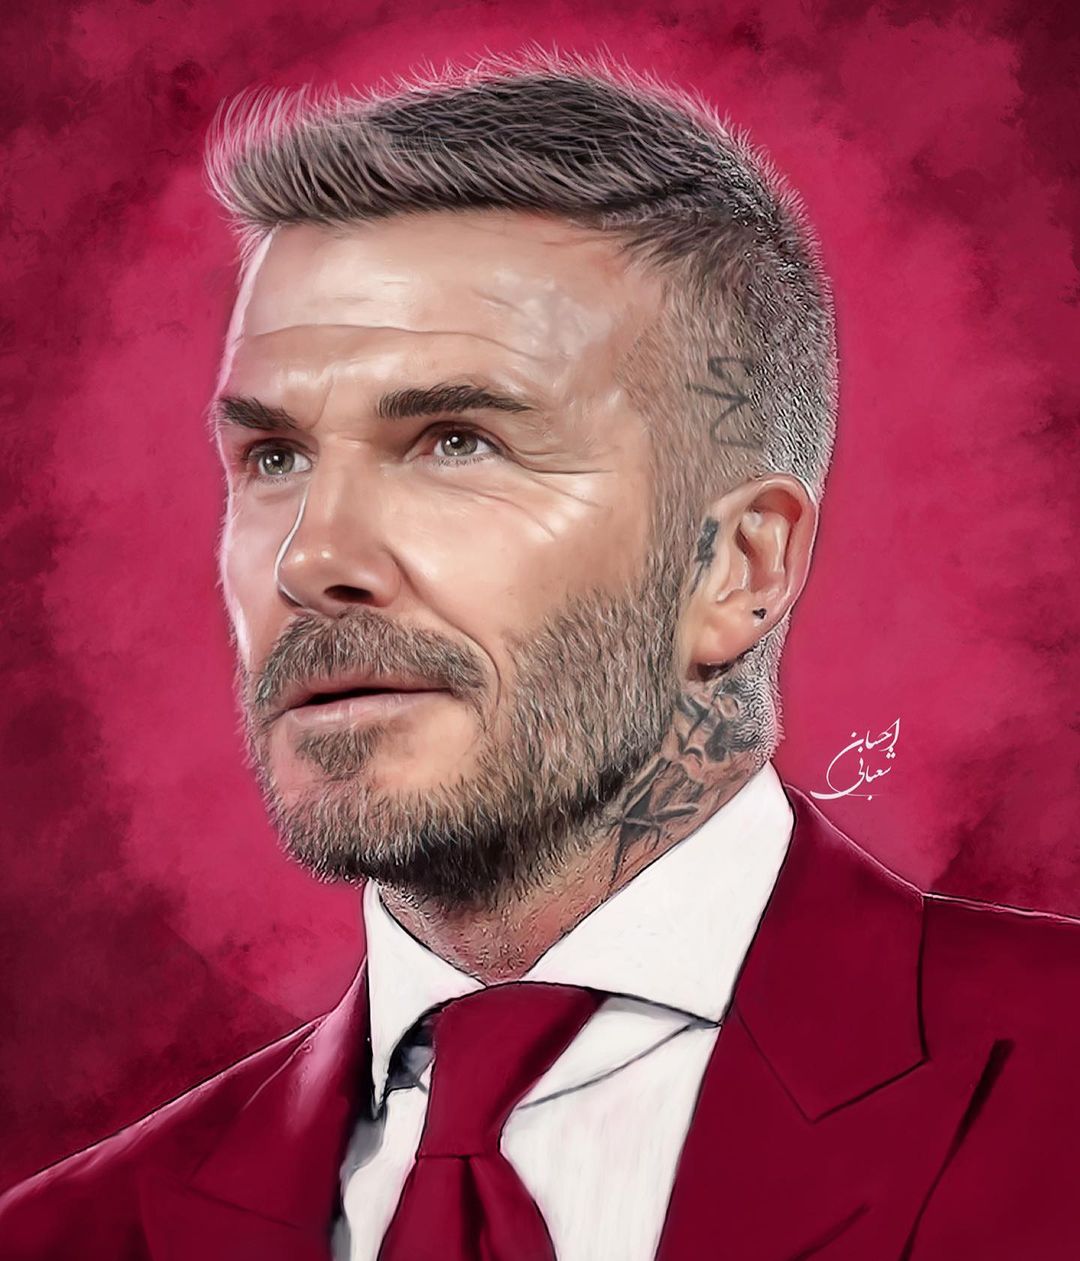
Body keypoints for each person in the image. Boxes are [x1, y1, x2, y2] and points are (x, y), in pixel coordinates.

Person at [2, 55, 1079, 1261]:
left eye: (456, 440)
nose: (311, 559)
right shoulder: (63, 1238)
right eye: (275, 458)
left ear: (739, 564)